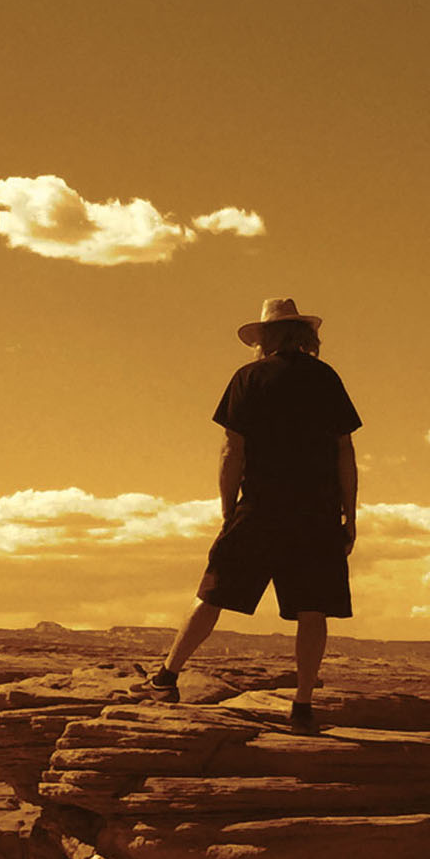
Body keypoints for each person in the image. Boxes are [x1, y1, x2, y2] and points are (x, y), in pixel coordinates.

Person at [138, 298, 361, 734]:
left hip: (260, 505)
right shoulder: (326, 378)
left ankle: (166, 677)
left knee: (213, 594)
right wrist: (349, 515)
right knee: (313, 609)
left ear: (266, 338)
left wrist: (227, 507)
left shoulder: (249, 378)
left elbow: (231, 449)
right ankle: (302, 706)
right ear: (304, 336)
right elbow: (345, 451)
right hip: (316, 512)